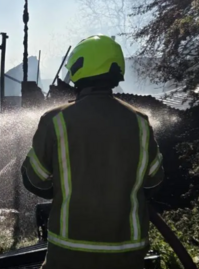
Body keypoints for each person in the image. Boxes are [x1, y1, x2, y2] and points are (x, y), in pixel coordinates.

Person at [21, 34, 165, 269]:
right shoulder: (140, 122)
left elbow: (34, 180)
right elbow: (154, 183)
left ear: (79, 67)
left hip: (70, 252)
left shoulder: (55, 121)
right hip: (127, 254)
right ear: (117, 70)